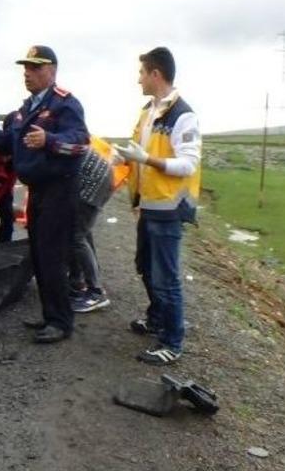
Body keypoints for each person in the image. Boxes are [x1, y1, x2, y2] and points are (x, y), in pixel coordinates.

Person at [0, 45, 89, 343]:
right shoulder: (25, 109)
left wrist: (49, 140)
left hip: (60, 189)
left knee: (52, 256)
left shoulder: (65, 105)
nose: (27, 73)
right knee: (40, 253)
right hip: (38, 192)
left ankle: (60, 322)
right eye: (25, 68)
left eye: (35, 67)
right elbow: (9, 144)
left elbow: (81, 143)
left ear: (52, 70)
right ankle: (51, 315)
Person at [113, 46, 203, 365]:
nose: (138, 80)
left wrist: (146, 159)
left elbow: (188, 164)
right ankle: (157, 319)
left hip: (168, 208)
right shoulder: (148, 111)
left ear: (155, 74)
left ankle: (172, 342)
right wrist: (125, 156)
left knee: (166, 277)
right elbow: (140, 148)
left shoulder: (183, 114)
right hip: (148, 205)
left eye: (141, 73)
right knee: (146, 268)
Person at [68, 137, 117, 313]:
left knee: (76, 236)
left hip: (93, 180)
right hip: (99, 174)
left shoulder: (39, 137)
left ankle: (96, 292)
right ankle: (79, 281)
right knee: (81, 232)